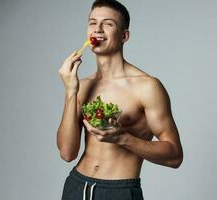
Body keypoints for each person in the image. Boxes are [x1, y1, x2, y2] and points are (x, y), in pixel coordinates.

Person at [57, 0, 183, 199]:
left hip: (119, 191)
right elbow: (67, 153)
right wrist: (71, 91)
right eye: (92, 23)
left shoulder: (147, 86)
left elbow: (175, 156)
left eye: (108, 24)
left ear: (124, 36)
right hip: (76, 186)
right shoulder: (82, 85)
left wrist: (123, 138)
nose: (97, 29)